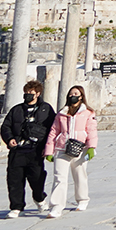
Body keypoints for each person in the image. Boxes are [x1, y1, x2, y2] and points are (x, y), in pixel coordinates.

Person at [0, 79, 55, 218]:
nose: (28, 95)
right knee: (14, 180)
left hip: (36, 151)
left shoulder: (46, 109)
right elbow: (6, 126)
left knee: (37, 179)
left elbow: (52, 129)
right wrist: (9, 139)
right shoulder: (16, 110)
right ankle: (16, 207)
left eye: (31, 92)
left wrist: (48, 148)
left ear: (38, 93)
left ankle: (39, 198)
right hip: (17, 151)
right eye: (26, 92)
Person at [43, 85, 98, 218]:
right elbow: (53, 131)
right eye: (71, 93)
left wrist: (91, 147)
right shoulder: (61, 113)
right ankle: (56, 206)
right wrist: (49, 151)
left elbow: (91, 130)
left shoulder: (88, 113)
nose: (73, 95)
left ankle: (82, 200)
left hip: (80, 148)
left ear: (81, 96)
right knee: (59, 177)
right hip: (62, 147)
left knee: (79, 175)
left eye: (76, 93)